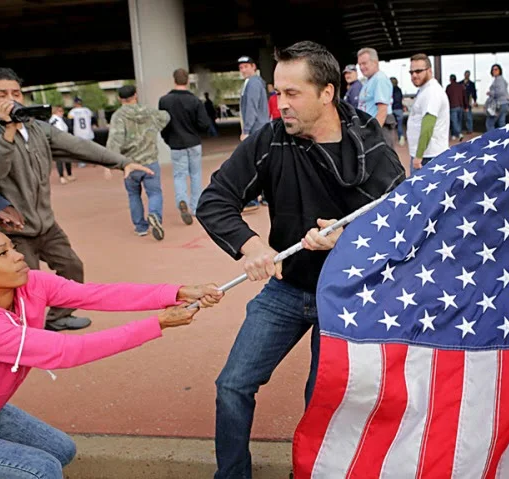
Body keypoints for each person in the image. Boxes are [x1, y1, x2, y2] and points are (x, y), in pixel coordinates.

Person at [196, 40, 405, 478]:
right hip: (286, 288)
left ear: (327, 92)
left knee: (322, 398)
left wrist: (346, 239)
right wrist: (250, 245)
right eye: (278, 92)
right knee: (232, 386)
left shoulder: (372, 145)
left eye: (293, 93)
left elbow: (401, 229)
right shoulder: (271, 140)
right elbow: (215, 199)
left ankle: (309, 472)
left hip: (345, 296)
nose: (281, 104)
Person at [0, 223, 223, 478]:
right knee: (40, 470)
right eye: (3, 253)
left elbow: (97, 295)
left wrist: (177, 292)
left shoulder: (31, 284)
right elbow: (67, 351)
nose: (18, 255)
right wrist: (158, 323)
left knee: (61, 449)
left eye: (12, 247)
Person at [0, 67, 154, 332]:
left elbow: (77, 146)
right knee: (21, 289)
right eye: (2, 94)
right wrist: (8, 131)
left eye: (16, 93)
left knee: (72, 268)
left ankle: (57, 319)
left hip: (46, 224)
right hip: (10, 231)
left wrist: (122, 162)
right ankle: (16, 338)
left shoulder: (37, 129)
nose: (11, 99)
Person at [108, 85, 170, 240]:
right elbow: (165, 117)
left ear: (119, 98)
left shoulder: (118, 116)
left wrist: (110, 161)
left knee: (133, 194)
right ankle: (155, 215)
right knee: (154, 192)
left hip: (130, 164)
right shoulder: (149, 112)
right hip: (150, 160)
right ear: (135, 95)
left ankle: (141, 227)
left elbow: (115, 140)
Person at [159, 69, 211, 227]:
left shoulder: (164, 100)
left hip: (176, 143)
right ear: (187, 80)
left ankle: (182, 200)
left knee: (179, 175)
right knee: (195, 175)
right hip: (193, 142)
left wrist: (167, 138)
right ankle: (195, 207)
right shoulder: (195, 100)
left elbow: (162, 123)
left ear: (173, 80)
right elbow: (205, 124)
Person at [407, 53, 450, 173]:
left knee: (419, 191)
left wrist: (418, 156)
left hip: (428, 157)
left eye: (418, 71)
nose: (414, 75)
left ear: (429, 71)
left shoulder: (431, 92)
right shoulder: (425, 90)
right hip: (427, 155)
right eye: (411, 72)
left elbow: (428, 126)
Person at [237, 55, 270, 211]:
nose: (243, 70)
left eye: (246, 67)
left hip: (255, 129)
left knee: (252, 164)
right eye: (241, 67)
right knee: (261, 163)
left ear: (253, 67)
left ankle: (254, 199)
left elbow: (251, 107)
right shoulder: (254, 83)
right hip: (260, 127)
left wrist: (246, 130)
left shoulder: (253, 83)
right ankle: (264, 196)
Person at [357, 47, 397, 147]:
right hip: (369, 127)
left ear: (375, 62)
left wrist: (373, 134)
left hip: (379, 129)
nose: (361, 67)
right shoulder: (368, 80)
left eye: (364, 63)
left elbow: (382, 111)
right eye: (360, 64)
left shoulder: (380, 79)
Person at [48, 105, 76, 184]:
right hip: (59, 141)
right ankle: (62, 176)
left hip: (61, 141)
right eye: (60, 111)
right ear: (55, 111)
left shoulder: (57, 119)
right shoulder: (56, 120)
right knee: (60, 159)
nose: (62, 113)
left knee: (65, 158)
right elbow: (60, 131)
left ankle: (68, 175)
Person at [67, 96, 94, 168]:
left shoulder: (72, 112)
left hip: (79, 133)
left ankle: (82, 163)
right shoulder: (87, 110)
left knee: (80, 149)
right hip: (88, 132)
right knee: (91, 148)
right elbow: (93, 119)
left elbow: (70, 122)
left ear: (75, 103)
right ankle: (93, 161)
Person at [485, 63, 509, 131]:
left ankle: (492, 138)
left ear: (500, 70)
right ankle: (502, 138)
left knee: (490, 123)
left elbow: (501, 91)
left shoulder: (499, 80)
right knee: (501, 123)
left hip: (499, 104)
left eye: (496, 69)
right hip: (504, 103)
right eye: (493, 70)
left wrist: (491, 93)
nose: (494, 71)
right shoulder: (501, 79)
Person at [445, 73, 468, 141]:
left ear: (450, 80)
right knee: (459, 121)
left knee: (454, 121)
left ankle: (457, 134)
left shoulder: (448, 87)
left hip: (452, 106)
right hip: (460, 106)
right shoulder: (461, 86)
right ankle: (456, 133)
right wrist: (466, 106)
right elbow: (464, 96)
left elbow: (446, 97)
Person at [461, 70, 477, 134]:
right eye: (466, 74)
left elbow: (474, 93)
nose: (467, 75)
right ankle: (460, 130)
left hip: (468, 102)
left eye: (468, 74)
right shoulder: (460, 83)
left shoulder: (472, 84)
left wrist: (475, 100)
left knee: (468, 117)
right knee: (461, 117)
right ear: (464, 75)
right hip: (461, 102)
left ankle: (469, 129)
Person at [391, 77, 405, 146]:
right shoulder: (399, 90)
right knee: (400, 125)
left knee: (391, 126)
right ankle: (401, 137)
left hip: (392, 109)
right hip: (399, 109)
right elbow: (400, 99)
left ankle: (392, 140)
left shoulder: (389, 90)